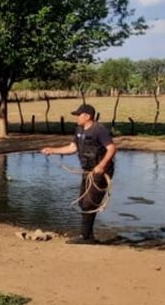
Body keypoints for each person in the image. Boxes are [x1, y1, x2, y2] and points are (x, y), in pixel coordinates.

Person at [41, 104, 116, 244]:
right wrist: (52, 150)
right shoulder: (79, 130)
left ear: (88, 116)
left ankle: (86, 237)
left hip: (100, 171)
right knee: (83, 202)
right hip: (87, 171)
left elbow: (111, 148)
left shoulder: (99, 129)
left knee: (89, 202)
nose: (77, 117)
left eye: (79, 115)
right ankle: (88, 235)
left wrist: (101, 165)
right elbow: (72, 147)